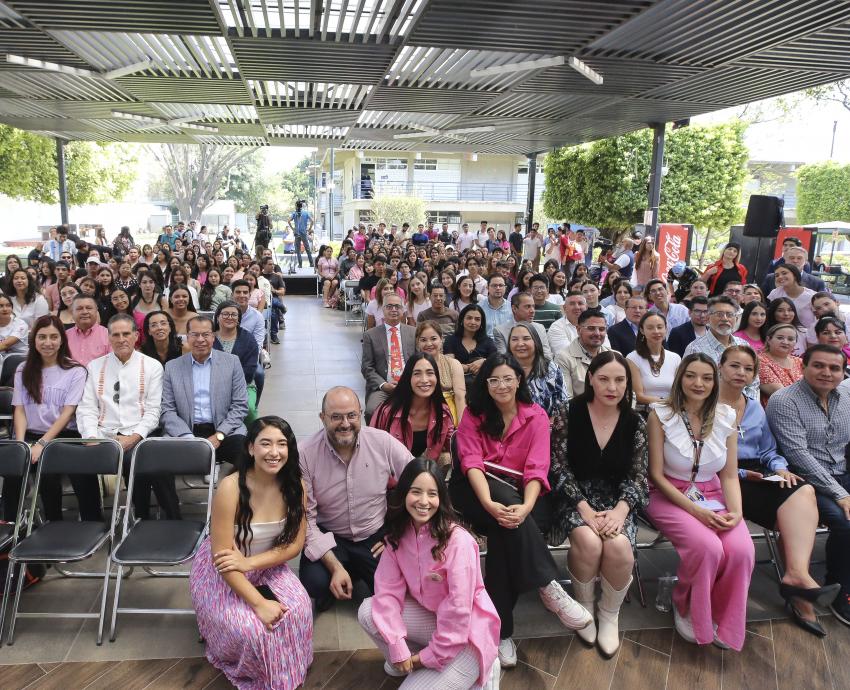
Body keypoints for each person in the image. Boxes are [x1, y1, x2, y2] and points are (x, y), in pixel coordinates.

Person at [449, 353, 592, 668]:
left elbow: (536, 469)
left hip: (523, 494)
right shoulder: (473, 415)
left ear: (518, 380)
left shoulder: (536, 415)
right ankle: (547, 586)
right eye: (493, 379)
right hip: (474, 490)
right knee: (503, 506)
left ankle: (500, 633)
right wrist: (489, 503)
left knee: (506, 529)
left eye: (507, 378)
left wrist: (525, 507)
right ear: (485, 384)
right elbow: (471, 462)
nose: (501, 385)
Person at [718, 345, 838, 636]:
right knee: (792, 510)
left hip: (760, 472)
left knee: (802, 490)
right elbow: (704, 458)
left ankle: (797, 576)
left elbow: (769, 449)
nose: (741, 373)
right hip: (723, 477)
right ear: (720, 367)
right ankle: (799, 590)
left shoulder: (754, 405)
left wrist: (780, 466)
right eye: (735, 366)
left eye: (748, 369)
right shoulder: (706, 403)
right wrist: (745, 473)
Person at [189, 416, 312, 690]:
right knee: (252, 629)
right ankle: (259, 674)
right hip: (222, 571)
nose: (274, 452)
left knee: (300, 610)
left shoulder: (296, 487)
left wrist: (250, 562)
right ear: (250, 448)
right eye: (265, 443)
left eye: (282, 444)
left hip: (265, 564)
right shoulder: (231, 488)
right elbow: (223, 559)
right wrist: (259, 603)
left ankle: (286, 672)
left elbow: (294, 544)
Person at [358, 458, 501, 688]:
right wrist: (398, 649)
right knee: (368, 611)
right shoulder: (397, 536)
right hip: (435, 619)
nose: (424, 501)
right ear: (404, 493)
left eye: (432, 494)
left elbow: (457, 615)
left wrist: (424, 659)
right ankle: (414, 669)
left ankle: (484, 667)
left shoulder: (457, 542)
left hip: (468, 637)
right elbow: (386, 593)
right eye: (416, 492)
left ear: (441, 498)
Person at [645, 353, 754, 650]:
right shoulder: (660, 414)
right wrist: (695, 511)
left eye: (706, 377)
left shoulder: (726, 416)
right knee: (708, 548)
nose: (698, 383)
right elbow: (655, 475)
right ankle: (686, 603)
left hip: (714, 492)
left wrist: (737, 513)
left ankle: (720, 615)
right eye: (691, 375)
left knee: (742, 550)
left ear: (715, 380)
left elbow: (729, 475)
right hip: (668, 493)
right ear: (680, 378)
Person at [547, 351, 648, 657]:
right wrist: (583, 507)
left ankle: (609, 614)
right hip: (574, 497)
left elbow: (639, 474)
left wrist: (620, 510)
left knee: (617, 546)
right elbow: (558, 467)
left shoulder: (634, 421)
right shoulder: (569, 411)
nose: (611, 387)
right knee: (589, 542)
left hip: (618, 501)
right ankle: (583, 607)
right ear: (590, 379)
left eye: (619, 380)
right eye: (603, 379)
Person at [299, 387, 412, 611]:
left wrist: (399, 533)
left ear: (360, 414)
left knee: (395, 592)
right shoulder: (305, 453)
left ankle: (356, 571)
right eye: (336, 417)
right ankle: (343, 571)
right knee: (315, 583)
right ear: (322, 418)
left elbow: (418, 481)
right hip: (331, 535)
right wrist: (333, 567)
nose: (345, 423)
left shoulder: (382, 442)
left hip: (374, 535)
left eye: (352, 415)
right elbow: (306, 519)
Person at [767, 345, 850, 626]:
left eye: (835, 368)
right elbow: (798, 456)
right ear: (803, 366)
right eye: (819, 366)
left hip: (842, 471)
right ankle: (840, 587)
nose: (827, 373)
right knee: (845, 521)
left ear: (843, 372)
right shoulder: (785, 400)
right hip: (804, 481)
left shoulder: (846, 398)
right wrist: (840, 494)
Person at [75, 314, 175, 520]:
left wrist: (134, 437)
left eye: (126, 334)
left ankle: (141, 518)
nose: (121, 339)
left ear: (136, 336)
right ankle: (92, 522)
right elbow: (87, 408)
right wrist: (91, 437)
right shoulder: (95, 366)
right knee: (79, 465)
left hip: (137, 434)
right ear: (109, 338)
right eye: (116, 335)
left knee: (139, 461)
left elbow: (154, 410)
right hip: (101, 436)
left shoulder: (152, 366)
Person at [6, 315, 101, 522]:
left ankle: (92, 522)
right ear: (34, 340)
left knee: (74, 468)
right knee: (15, 469)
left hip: (64, 434)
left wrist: (42, 443)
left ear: (61, 340)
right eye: (42, 337)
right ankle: (12, 525)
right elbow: (19, 410)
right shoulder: (23, 370)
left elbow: (68, 413)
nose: (47, 343)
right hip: (30, 434)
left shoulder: (75, 370)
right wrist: (21, 444)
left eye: (53, 337)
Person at [160, 314, 248, 465]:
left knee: (246, 454)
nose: (200, 339)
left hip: (224, 430)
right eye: (195, 334)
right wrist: (188, 437)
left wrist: (219, 435)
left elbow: (240, 406)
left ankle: (229, 483)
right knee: (158, 458)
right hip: (186, 431)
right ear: (187, 337)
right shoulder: (172, 367)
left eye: (206, 334)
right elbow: (167, 410)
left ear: (213, 337)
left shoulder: (232, 362)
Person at [370, 353, 454, 465]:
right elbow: (372, 451)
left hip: (425, 476)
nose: (424, 380)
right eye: (417, 374)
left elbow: (454, 447)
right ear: (408, 377)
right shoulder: (386, 411)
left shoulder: (443, 413)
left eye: (430, 373)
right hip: (392, 477)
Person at [684, 296, 759, 399]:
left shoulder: (744, 345)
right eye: (719, 314)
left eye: (729, 315)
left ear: (736, 319)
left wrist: (747, 406)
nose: (725, 318)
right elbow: (689, 383)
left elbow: (754, 382)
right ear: (708, 318)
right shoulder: (695, 348)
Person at [362, 293, 416, 418]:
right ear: (382, 309)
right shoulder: (370, 335)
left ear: (403, 310)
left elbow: (419, 362)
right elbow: (367, 367)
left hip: (409, 385)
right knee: (371, 411)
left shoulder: (413, 332)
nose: (394, 310)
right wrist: (384, 385)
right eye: (389, 306)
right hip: (383, 387)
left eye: (397, 306)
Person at [508, 323, 567, 417]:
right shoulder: (502, 369)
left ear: (536, 341)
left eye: (526, 338)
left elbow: (562, 403)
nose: (520, 343)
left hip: (548, 427)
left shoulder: (551, 369)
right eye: (514, 339)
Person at [415, 320, 467, 424]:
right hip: (421, 416)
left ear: (441, 339)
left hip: (449, 417)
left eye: (433, 339)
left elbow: (460, 397)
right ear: (418, 342)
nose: (429, 344)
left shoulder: (453, 364)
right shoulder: (413, 365)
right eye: (423, 340)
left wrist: (462, 428)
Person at [627, 312, 681, 408]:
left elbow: (679, 390)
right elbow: (639, 396)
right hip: (646, 411)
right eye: (650, 328)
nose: (656, 331)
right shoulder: (633, 358)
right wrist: (666, 401)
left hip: (673, 409)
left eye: (660, 327)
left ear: (666, 329)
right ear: (642, 330)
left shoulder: (675, 358)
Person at [444, 304, 497, 384]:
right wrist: (469, 368)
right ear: (462, 319)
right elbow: (449, 365)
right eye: (469, 318)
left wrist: (484, 361)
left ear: (481, 322)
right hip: (457, 383)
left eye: (477, 319)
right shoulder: (450, 340)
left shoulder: (488, 341)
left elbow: (496, 361)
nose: (473, 322)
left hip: (482, 385)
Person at [493, 293, 553, 361]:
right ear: (514, 309)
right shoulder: (500, 331)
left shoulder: (540, 328)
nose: (532, 311)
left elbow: (547, 356)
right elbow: (503, 359)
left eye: (533, 306)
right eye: (527, 307)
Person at [213, 300, 259, 386]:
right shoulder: (208, 337)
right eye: (225, 314)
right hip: (212, 385)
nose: (229, 317)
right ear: (217, 317)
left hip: (243, 385)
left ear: (238, 319)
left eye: (234, 315)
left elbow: (249, 371)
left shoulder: (248, 339)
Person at [759, 324, 804, 406]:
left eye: (790, 339)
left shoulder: (800, 362)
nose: (785, 342)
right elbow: (780, 393)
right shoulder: (760, 361)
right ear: (769, 339)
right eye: (780, 338)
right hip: (778, 412)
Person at [65, 294, 110, 366]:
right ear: (72, 312)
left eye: (89, 308)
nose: (84, 312)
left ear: (96, 311)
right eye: (79, 308)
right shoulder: (65, 336)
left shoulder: (108, 335)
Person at [767, 264, 817, 330]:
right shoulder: (775, 293)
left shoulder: (812, 296)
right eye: (777, 275)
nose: (780, 277)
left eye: (784, 273)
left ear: (795, 275)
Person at [0, 293, 28, 359]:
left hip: (19, 361)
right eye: (1, 306)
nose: (5, 309)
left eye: (8, 305)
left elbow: (5, 345)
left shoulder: (20, 324)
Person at [287, 200, 313, 268]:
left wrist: (293, 229)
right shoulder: (306, 213)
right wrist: (309, 229)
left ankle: (300, 265)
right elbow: (312, 221)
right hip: (303, 232)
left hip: (297, 233)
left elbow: (288, 221)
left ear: (296, 206)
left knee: (298, 250)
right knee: (307, 249)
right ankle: (311, 263)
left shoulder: (294, 213)